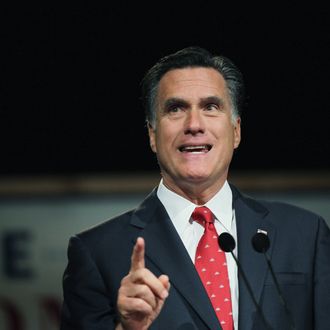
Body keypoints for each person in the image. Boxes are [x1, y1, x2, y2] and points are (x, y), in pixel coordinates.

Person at [60, 46, 330, 330]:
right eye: (175, 109)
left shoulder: (305, 235)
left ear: (236, 131)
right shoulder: (98, 252)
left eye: (210, 107)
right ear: (152, 135)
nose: (194, 125)